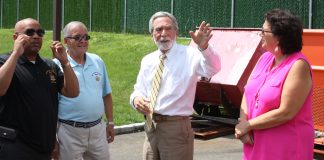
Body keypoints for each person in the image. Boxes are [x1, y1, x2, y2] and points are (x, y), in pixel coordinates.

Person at [130, 11, 221, 160]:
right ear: (151, 34)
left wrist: (204, 47)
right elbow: (138, 90)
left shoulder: (191, 55)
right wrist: (136, 100)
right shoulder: (148, 60)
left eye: (168, 28)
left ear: (176, 32)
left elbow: (214, 68)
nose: (163, 33)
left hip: (176, 128)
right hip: (151, 128)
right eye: (158, 30)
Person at [234, 8, 314, 160]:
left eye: (264, 31)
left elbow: (286, 112)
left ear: (279, 37)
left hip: (285, 147)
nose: (260, 34)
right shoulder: (264, 59)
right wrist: (243, 123)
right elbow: (248, 92)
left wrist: (249, 125)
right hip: (256, 145)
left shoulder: (298, 65)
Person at [0, 18, 79, 159]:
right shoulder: (5, 61)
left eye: (40, 32)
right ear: (15, 37)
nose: (36, 36)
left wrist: (65, 62)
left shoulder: (49, 66)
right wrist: (15, 54)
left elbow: (73, 92)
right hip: (15, 146)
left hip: (44, 146)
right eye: (30, 32)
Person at [52, 21, 114, 160]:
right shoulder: (56, 65)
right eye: (78, 37)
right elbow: (51, 105)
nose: (83, 41)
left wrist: (110, 122)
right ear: (66, 41)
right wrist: (53, 136)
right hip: (69, 132)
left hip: (97, 130)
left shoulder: (97, 61)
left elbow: (106, 94)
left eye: (86, 37)